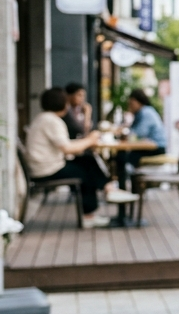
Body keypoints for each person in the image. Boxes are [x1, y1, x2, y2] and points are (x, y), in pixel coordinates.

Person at [27, 87, 137, 228]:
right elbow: (67, 149)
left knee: (86, 161)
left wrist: (87, 142)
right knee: (85, 171)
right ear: (63, 104)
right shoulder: (52, 121)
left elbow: (66, 146)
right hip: (46, 170)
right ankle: (92, 211)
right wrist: (90, 140)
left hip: (44, 166)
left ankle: (108, 189)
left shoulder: (43, 118)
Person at [116, 89, 167, 192]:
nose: (130, 106)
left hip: (157, 147)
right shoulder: (141, 112)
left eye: (131, 103)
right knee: (124, 157)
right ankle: (133, 189)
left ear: (138, 101)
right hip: (150, 146)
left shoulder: (146, 112)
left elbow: (137, 134)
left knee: (123, 158)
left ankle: (126, 190)